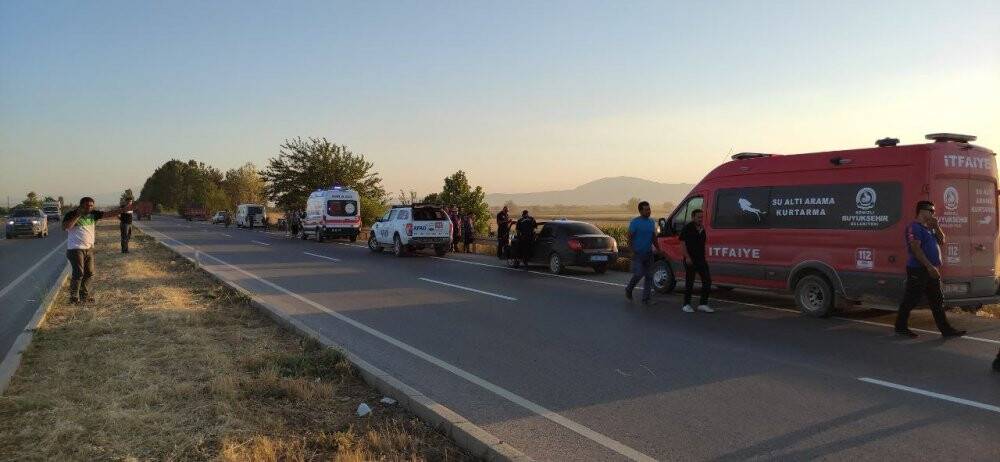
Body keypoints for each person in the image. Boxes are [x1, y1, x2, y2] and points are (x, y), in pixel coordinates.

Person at [895, 200, 966, 338]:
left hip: (931, 270)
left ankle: (946, 330)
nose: (933, 213)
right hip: (918, 269)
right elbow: (916, 249)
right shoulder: (914, 227)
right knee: (911, 299)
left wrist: (937, 227)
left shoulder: (929, 228)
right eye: (931, 211)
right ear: (922, 211)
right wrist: (929, 267)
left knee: (937, 300)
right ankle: (900, 327)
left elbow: (942, 241)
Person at [62, 197, 132, 304]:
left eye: (91, 206)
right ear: (81, 205)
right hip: (75, 249)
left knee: (89, 273)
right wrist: (78, 215)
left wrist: (124, 209)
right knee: (78, 273)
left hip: (89, 248)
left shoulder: (93, 214)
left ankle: (84, 296)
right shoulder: (72, 214)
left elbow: (109, 214)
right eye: (86, 205)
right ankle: (73, 298)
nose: (89, 208)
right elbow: (65, 227)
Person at [626, 201, 661, 305]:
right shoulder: (635, 222)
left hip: (649, 253)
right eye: (646, 210)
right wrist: (631, 251)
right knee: (638, 274)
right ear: (640, 211)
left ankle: (646, 299)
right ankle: (629, 289)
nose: (648, 211)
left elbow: (653, 237)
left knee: (649, 276)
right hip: (638, 253)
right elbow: (629, 238)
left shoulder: (651, 222)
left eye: (649, 209)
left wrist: (658, 248)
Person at [679, 209, 713, 313]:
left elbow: (702, 244)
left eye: (702, 217)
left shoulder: (702, 229)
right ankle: (686, 304)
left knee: (707, 280)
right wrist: (687, 257)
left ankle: (703, 304)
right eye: (698, 217)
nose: (700, 219)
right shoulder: (687, 228)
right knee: (690, 282)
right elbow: (683, 245)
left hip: (701, 259)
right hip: (690, 259)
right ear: (693, 217)